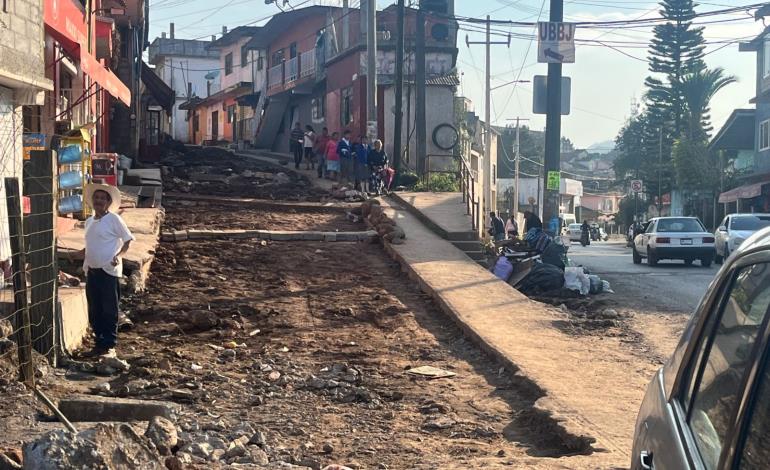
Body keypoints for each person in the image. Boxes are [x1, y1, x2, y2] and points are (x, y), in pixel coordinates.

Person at [76, 184, 135, 358]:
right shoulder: (89, 222)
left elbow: (127, 241)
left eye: (103, 198)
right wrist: (76, 254)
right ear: (92, 201)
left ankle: (109, 344)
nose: (99, 201)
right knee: (95, 309)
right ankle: (98, 342)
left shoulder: (114, 219)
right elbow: (91, 245)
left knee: (109, 309)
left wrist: (119, 255)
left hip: (109, 270)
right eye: (97, 198)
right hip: (92, 269)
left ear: (108, 202)